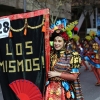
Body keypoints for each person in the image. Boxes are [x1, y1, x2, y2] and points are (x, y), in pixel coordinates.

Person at [45, 29, 84, 100]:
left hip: (64, 90)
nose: (56, 43)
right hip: (49, 90)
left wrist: (57, 74)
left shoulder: (73, 55)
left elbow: (74, 77)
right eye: (55, 41)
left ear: (65, 42)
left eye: (59, 41)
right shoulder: (49, 55)